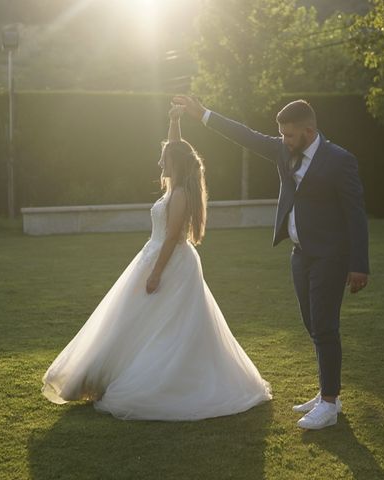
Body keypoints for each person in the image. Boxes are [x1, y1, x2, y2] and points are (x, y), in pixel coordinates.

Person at [41, 105, 272, 420]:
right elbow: (174, 150)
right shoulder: (174, 187)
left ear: (173, 164)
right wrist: (174, 123)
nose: (159, 161)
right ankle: (98, 377)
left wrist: (155, 274)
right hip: (154, 256)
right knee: (133, 319)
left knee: (166, 323)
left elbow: (172, 238)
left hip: (170, 263)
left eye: (164, 159)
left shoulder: (179, 196)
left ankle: (148, 379)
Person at [173, 95, 369, 430]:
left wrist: (359, 264)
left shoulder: (340, 160)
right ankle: (327, 391)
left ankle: (330, 404)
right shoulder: (283, 150)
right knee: (313, 326)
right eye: (281, 135)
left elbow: (355, 215)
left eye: (290, 135)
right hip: (300, 255)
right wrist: (203, 114)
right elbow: (245, 135)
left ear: (309, 131)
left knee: (325, 327)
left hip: (330, 257)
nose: (284, 140)